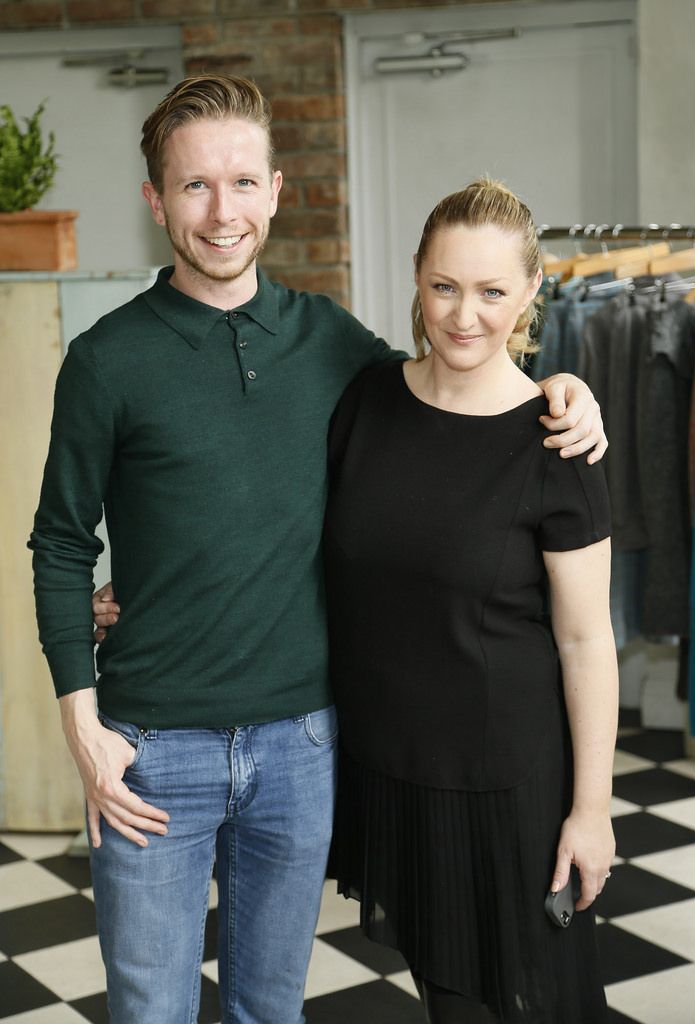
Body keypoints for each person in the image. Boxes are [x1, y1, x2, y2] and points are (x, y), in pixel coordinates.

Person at [30, 72, 605, 1024]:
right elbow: (58, 543)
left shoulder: (333, 344)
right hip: (150, 747)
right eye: (195, 186)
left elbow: (454, 389)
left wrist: (564, 387)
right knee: (149, 1010)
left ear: (278, 189)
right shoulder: (105, 359)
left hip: (302, 745)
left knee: (271, 1009)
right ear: (155, 199)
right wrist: (82, 726)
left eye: (244, 182)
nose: (223, 213)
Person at [323, 179, 618, 1023]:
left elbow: (587, 640)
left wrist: (592, 811)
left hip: (505, 787)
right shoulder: (366, 401)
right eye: (445, 286)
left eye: (493, 292)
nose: (464, 315)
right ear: (416, 276)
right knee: (445, 995)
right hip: (390, 771)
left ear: (531, 292)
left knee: (522, 1006)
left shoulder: (558, 440)